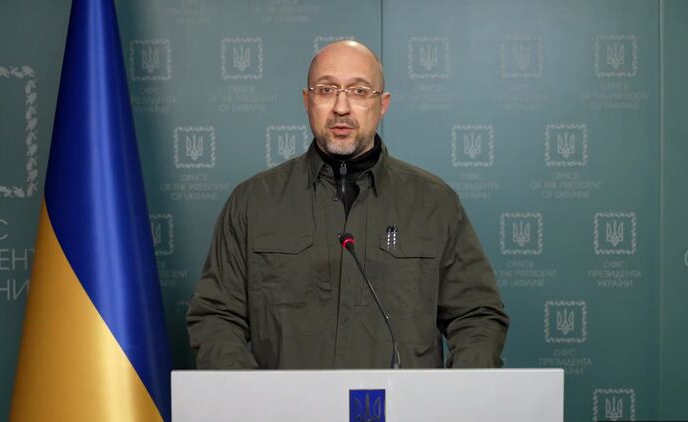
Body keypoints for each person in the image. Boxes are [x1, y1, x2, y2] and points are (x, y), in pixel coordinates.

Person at [186, 40, 508, 369]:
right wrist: (256, 395)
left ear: (382, 104)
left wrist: (454, 392)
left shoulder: (435, 203)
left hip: (403, 402)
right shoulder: (253, 203)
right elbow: (216, 317)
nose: (341, 107)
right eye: (326, 90)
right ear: (307, 100)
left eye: (359, 91)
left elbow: (477, 315)